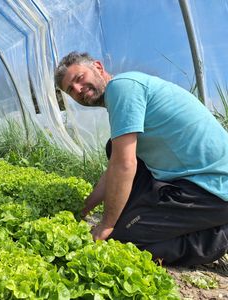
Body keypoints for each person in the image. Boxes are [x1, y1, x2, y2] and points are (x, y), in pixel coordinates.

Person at [54, 51, 228, 266]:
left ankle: (217, 236)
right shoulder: (126, 89)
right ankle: (143, 218)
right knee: (114, 147)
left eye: (79, 79)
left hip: (215, 188)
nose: (78, 90)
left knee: (121, 243)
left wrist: (106, 225)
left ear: (98, 67)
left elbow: (124, 165)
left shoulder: (122, 87)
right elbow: (115, 168)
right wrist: (83, 208)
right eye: (70, 90)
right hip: (192, 182)